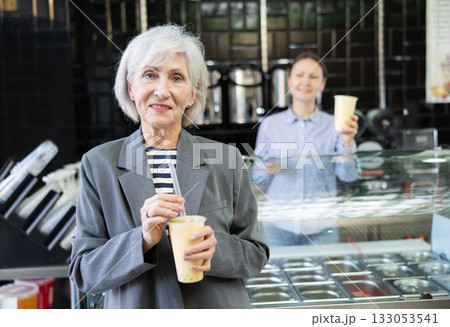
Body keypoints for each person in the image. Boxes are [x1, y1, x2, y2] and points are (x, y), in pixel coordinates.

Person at [69, 24, 269, 309]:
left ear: (191, 94)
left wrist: (216, 249)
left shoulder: (227, 159)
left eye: (176, 78)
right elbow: (84, 273)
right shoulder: (98, 164)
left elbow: (255, 255)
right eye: (149, 75)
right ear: (130, 86)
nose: (162, 91)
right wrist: (143, 238)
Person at [253, 52, 360, 246]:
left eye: (313, 77)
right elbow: (257, 178)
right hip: (277, 227)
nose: (305, 82)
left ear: (322, 84)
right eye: (299, 75)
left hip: (321, 228)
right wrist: (267, 169)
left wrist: (348, 141)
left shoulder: (335, 125)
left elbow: (349, 176)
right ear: (289, 80)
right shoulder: (270, 125)